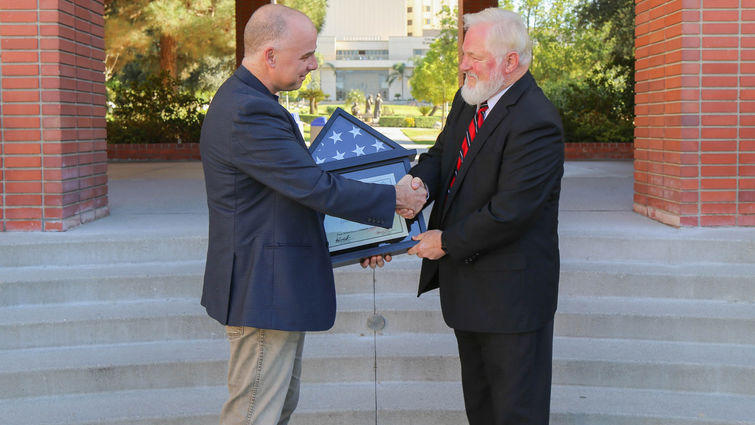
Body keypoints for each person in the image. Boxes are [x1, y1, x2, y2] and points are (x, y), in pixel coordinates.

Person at [199, 5, 426, 425]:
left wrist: (365, 240)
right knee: (253, 414)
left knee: (276, 407)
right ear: (270, 55)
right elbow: (314, 187)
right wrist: (392, 198)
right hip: (263, 291)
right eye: (305, 56)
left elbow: (290, 197)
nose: (313, 64)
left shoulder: (251, 101)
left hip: (271, 287)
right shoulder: (249, 110)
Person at [405, 8, 564, 425]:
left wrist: (446, 241)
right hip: (469, 292)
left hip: (511, 300)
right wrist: (418, 187)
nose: (462, 65)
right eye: (463, 54)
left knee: (515, 413)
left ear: (511, 61)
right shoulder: (471, 97)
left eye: (473, 56)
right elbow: (443, 156)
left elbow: (511, 211)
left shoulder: (537, 121)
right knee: (481, 409)